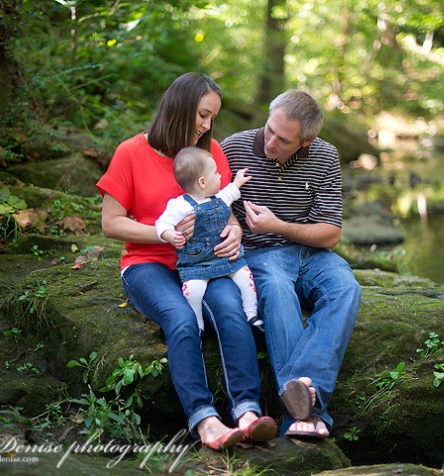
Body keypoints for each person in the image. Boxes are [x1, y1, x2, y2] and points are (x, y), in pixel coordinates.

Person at [97, 72, 276, 450]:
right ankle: (205, 420)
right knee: (180, 318)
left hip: (205, 265)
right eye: (202, 115)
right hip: (148, 263)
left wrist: (235, 231)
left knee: (230, 311)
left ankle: (247, 411)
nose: (207, 126)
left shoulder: (211, 155)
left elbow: (223, 211)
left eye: (212, 117)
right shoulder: (131, 153)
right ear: (178, 107)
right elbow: (111, 224)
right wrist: (168, 232)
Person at [221, 89, 361, 439]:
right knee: (278, 292)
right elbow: (211, 207)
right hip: (261, 255)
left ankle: (299, 395)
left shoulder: (326, 156)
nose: (270, 143)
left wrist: (277, 225)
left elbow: (330, 234)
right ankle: (309, 414)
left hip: (313, 253)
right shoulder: (233, 148)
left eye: (283, 140)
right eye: (269, 130)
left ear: (307, 141)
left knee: (346, 288)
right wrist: (235, 224)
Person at [155, 147, 262, 334]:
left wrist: (238, 181)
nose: (220, 176)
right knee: (193, 291)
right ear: (203, 182)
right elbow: (162, 222)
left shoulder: (217, 198)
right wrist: (169, 234)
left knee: (246, 277)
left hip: (225, 258)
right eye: (216, 172)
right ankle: (198, 324)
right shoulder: (179, 205)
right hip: (196, 263)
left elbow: (230, 191)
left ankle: (251, 314)